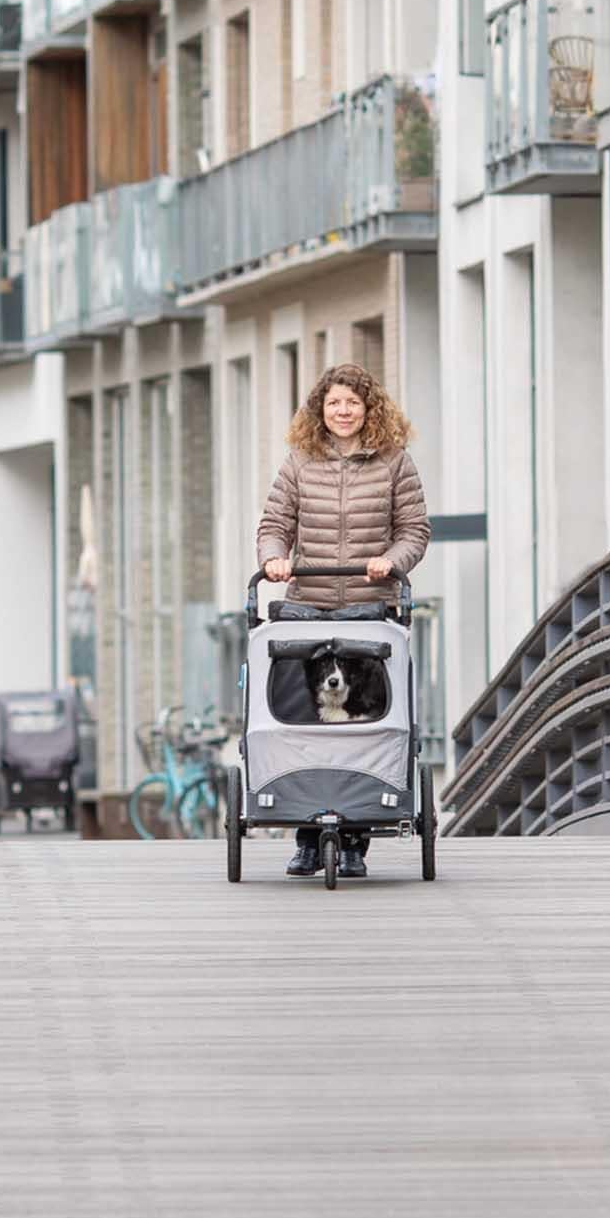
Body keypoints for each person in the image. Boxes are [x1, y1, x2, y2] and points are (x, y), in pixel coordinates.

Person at [256, 362, 430, 878]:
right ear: (321, 409)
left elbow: (414, 529)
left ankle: (355, 840)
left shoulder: (395, 461)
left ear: (368, 407)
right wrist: (273, 558)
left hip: (369, 606)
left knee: (366, 719)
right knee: (304, 721)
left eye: (352, 403)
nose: (344, 411)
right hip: (307, 599)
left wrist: (392, 563)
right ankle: (307, 838)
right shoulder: (299, 461)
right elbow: (275, 523)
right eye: (334, 403)